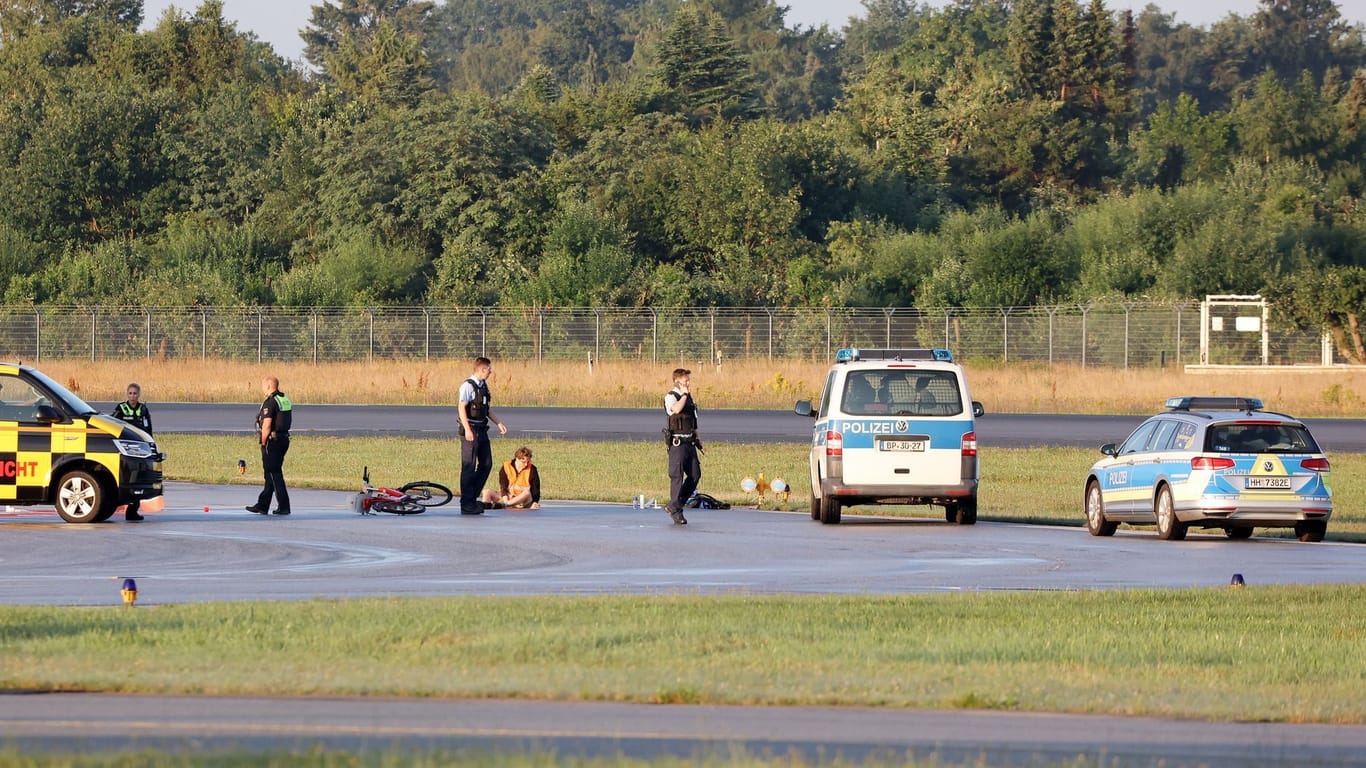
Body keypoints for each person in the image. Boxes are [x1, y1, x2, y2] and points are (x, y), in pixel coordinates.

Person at [458, 356, 508, 515]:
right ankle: (467, 503)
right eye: (489, 370)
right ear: (482, 370)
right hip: (471, 429)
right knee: (469, 466)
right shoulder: (467, 386)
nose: (490, 372)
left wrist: (498, 423)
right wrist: (467, 429)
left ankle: (472, 497)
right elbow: (461, 407)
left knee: (486, 464)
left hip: (482, 429)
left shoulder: (483, 386)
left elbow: (486, 409)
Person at [246, 375, 292, 516]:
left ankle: (284, 506)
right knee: (270, 474)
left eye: (262, 386)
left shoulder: (270, 402)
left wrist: (263, 441)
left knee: (274, 474)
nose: (262, 389)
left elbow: (266, 425)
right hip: (284, 439)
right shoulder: (284, 400)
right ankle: (263, 505)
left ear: (268, 386)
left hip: (273, 441)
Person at [663, 367, 701, 526]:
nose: (689, 383)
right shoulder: (670, 397)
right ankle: (676, 511)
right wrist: (684, 394)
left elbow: (693, 419)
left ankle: (675, 505)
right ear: (678, 382)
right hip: (677, 444)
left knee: (695, 475)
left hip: (689, 442)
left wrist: (698, 438)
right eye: (686, 381)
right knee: (677, 477)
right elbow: (676, 409)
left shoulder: (689, 398)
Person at [110, 382, 153, 522]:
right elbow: (112, 423)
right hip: (126, 448)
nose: (132, 396)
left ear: (139, 395)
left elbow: (148, 429)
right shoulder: (121, 408)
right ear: (127, 394)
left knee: (139, 479)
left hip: (140, 448)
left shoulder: (143, 409)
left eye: (135, 393)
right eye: (130, 393)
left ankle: (132, 511)